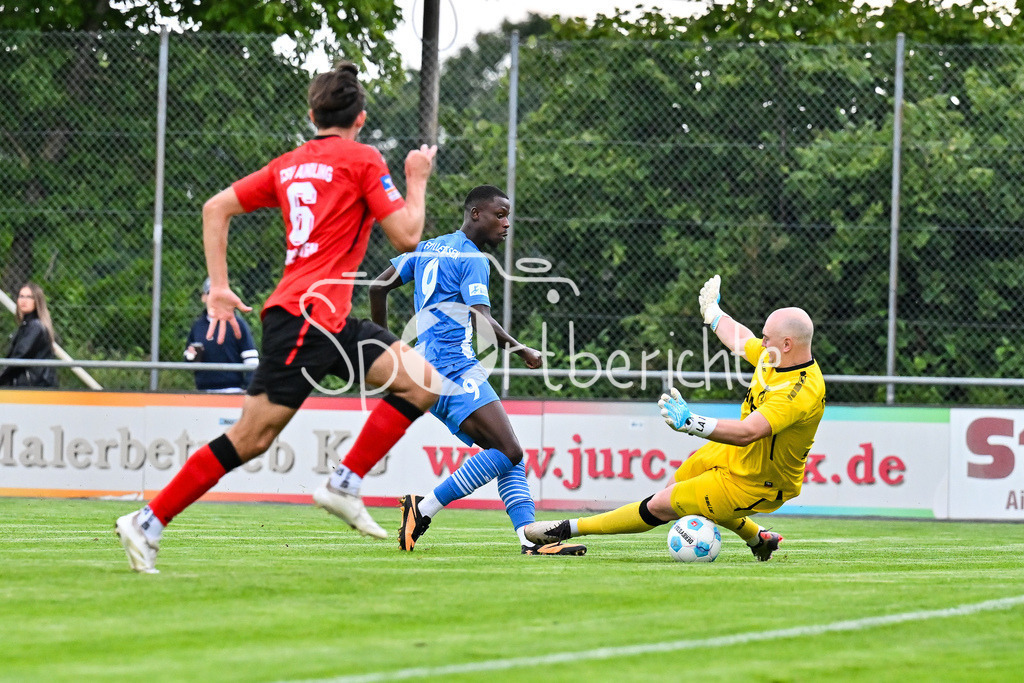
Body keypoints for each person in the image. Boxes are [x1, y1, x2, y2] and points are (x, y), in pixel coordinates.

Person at [115, 61, 441, 573]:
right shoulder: (363, 159)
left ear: (313, 115)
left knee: (421, 384)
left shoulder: (288, 165)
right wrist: (417, 179)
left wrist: (219, 286)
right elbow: (406, 236)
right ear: (361, 118)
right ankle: (147, 522)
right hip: (306, 319)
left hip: (323, 318)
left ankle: (345, 483)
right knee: (252, 437)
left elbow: (214, 208)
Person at [525, 274, 826, 561]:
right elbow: (740, 339)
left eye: (766, 338)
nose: (760, 343)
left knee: (662, 505)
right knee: (674, 488)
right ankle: (758, 538)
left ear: (787, 344)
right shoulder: (772, 356)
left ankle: (567, 528)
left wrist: (691, 423)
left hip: (761, 481)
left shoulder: (800, 391)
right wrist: (713, 312)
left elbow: (749, 431)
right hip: (738, 453)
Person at [369, 185, 585, 556]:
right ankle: (422, 509)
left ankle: (528, 540)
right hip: (453, 368)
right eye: (499, 215)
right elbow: (481, 319)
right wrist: (523, 350)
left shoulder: (429, 246)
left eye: (508, 216)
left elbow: (377, 287)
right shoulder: (473, 259)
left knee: (507, 452)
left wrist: (388, 347)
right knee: (510, 449)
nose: (506, 224)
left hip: (428, 368)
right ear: (475, 215)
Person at [184, 277, 259, 392]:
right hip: (203, 390)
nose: (216, 299)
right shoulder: (198, 326)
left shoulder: (237, 324)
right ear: (204, 297)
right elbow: (188, 358)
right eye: (211, 294)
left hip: (232, 389)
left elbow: (251, 359)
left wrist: (248, 388)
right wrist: (191, 355)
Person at [0, 282, 58, 388]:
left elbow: (19, 357)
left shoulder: (35, 327)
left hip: (35, 386)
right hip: (28, 385)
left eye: (29, 297)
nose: (24, 300)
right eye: (21, 296)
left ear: (37, 301)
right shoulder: (26, 326)